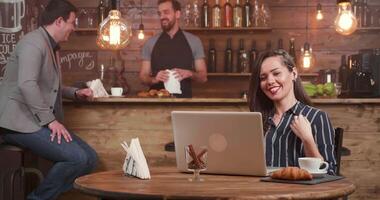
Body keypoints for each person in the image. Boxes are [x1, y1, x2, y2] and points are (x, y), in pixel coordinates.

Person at [0, 0, 97, 199]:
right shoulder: (33, 43)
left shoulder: (50, 46)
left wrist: (75, 93)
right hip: (17, 123)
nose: (73, 27)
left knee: (90, 159)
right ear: (59, 21)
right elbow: (27, 85)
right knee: (78, 158)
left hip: (35, 121)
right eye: (72, 22)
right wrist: (51, 121)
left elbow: (48, 88)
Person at [247, 49, 337, 175]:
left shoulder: (317, 117)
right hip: (262, 191)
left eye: (276, 73)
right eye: (263, 77)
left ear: (293, 73)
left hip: (300, 193)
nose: (270, 81)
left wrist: (307, 139)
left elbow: (329, 173)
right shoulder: (258, 121)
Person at [139, 0, 207, 98]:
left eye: (166, 12)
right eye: (160, 13)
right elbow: (143, 76)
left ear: (177, 14)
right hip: (156, 105)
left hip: (184, 104)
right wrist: (154, 79)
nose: (162, 17)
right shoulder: (150, 43)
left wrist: (190, 73)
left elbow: (203, 77)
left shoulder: (194, 41)